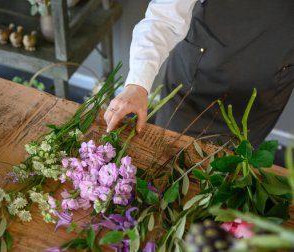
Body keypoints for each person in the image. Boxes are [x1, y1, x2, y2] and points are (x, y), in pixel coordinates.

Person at [104, 0, 294, 146]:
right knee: (167, 153)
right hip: (198, 76)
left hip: (268, 84)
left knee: (235, 169)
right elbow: (164, 18)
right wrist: (137, 85)